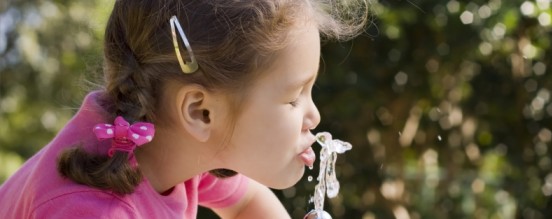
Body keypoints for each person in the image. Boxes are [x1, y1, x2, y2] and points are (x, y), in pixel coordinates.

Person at [0, 0, 367, 218]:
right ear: (201, 112)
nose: (314, 116)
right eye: (293, 97)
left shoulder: (166, 139)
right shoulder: (90, 209)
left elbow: (246, 206)